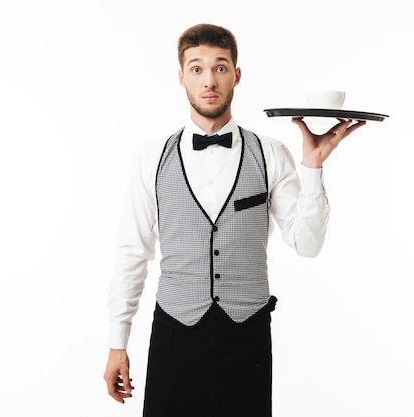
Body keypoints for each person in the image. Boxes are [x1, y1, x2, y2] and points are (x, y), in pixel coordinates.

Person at [103, 23, 365, 417]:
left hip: (247, 336)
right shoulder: (152, 157)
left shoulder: (271, 153)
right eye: (197, 68)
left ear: (236, 75)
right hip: (175, 333)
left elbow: (307, 244)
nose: (209, 80)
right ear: (181, 78)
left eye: (220, 67)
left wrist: (312, 166)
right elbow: (132, 251)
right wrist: (116, 341)